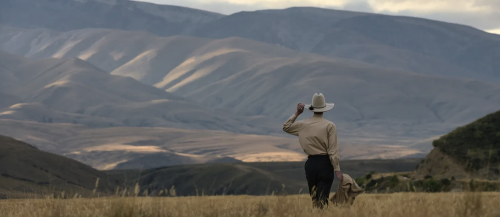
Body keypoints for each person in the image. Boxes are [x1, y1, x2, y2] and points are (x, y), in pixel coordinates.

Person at [282, 93, 342, 209]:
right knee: (323, 198)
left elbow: (286, 127)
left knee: (314, 198)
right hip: (325, 164)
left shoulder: (302, 124)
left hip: (311, 164)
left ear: (312, 109)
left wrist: (297, 114)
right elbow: (332, 150)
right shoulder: (329, 126)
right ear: (324, 109)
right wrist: (337, 170)